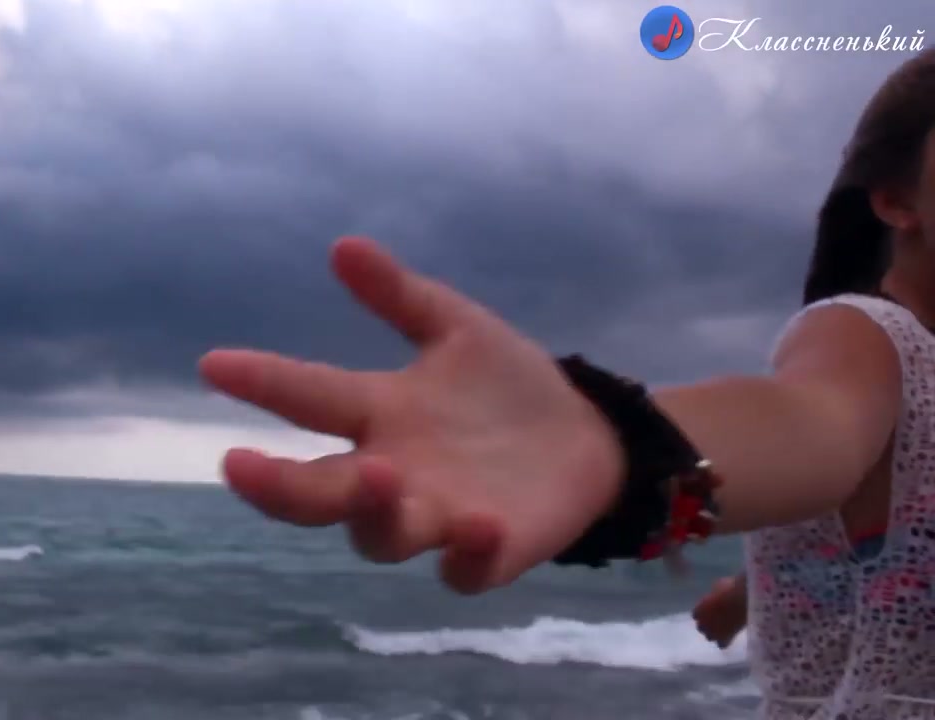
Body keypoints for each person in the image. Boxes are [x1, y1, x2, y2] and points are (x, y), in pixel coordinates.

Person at [199, 48, 935, 719]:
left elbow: (877, 527)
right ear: (896, 201)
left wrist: (748, 594)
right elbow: (818, 427)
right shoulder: (869, 338)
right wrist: (616, 443)